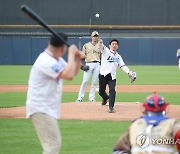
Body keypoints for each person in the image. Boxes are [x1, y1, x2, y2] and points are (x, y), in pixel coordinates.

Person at [26, 33, 85, 154]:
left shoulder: (55, 59)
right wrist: (72, 53)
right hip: (41, 108)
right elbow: (68, 75)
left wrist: (77, 59)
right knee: (53, 145)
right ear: (63, 48)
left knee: (52, 145)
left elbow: (71, 74)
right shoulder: (45, 60)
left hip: (46, 109)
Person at [113, 92, 180, 154]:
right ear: (164, 108)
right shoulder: (172, 124)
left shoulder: (135, 124)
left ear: (145, 108)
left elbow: (118, 150)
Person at [99, 39, 136, 113]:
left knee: (112, 90)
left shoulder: (118, 56)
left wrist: (129, 72)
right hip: (103, 75)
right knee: (101, 92)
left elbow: (123, 66)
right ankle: (106, 98)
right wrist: (100, 43)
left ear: (117, 46)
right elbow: (102, 47)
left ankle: (111, 107)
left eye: (116, 44)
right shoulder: (106, 51)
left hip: (112, 77)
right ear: (110, 45)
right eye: (112, 44)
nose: (114, 45)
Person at [76, 31, 101, 102]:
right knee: (85, 81)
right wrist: (81, 65)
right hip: (89, 64)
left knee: (94, 82)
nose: (95, 37)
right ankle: (80, 97)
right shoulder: (86, 45)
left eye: (96, 36)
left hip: (97, 64)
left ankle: (92, 98)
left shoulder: (100, 45)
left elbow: (102, 57)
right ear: (91, 37)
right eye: (94, 36)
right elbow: (81, 56)